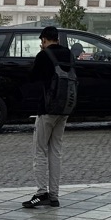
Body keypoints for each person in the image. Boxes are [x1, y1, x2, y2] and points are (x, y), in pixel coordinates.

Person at [23, 26, 74, 208]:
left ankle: (41, 192)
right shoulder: (67, 54)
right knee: (56, 151)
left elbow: (32, 77)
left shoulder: (43, 56)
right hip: (64, 108)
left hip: (46, 109)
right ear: (57, 38)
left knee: (40, 150)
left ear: (44, 40)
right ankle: (54, 195)